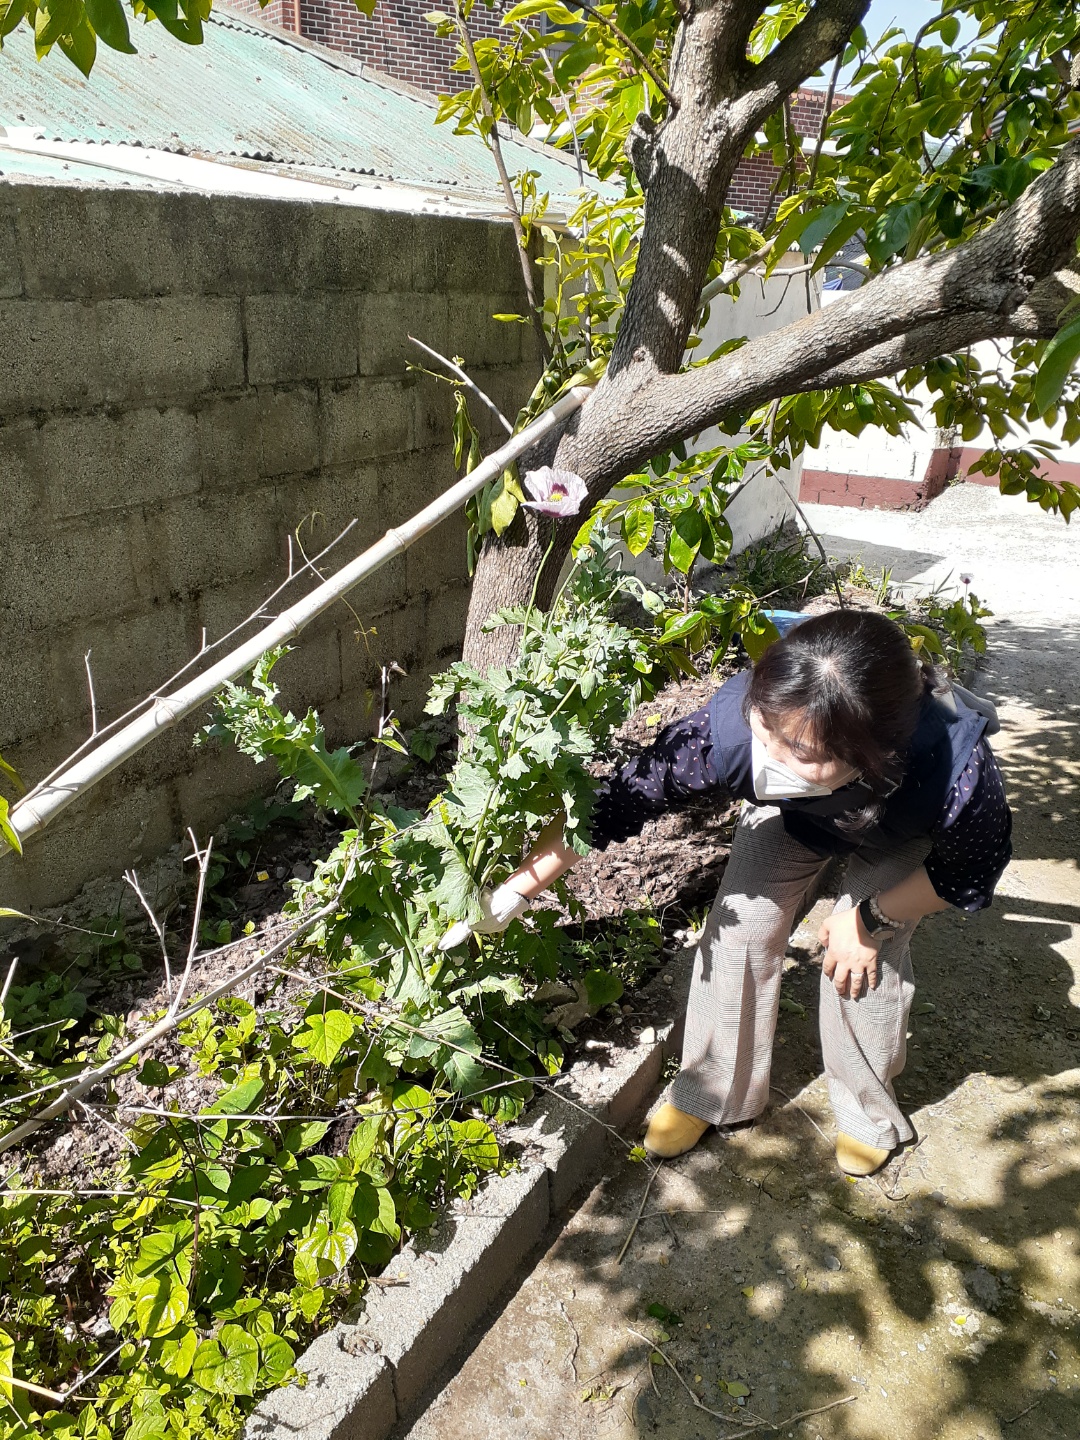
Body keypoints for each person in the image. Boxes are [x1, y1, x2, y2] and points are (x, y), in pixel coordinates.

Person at [442, 609, 1013, 1177]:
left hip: (898, 830)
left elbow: (968, 874)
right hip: (796, 815)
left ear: (875, 752)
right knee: (738, 929)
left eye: (801, 753)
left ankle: (867, 1113)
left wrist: (871, 919)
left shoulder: (954, 775)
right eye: (765, 730)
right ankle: (711, 1092)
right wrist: (517, 890)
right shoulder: (732, 733)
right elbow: (617, 801)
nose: (770, 759)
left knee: (858, 963)